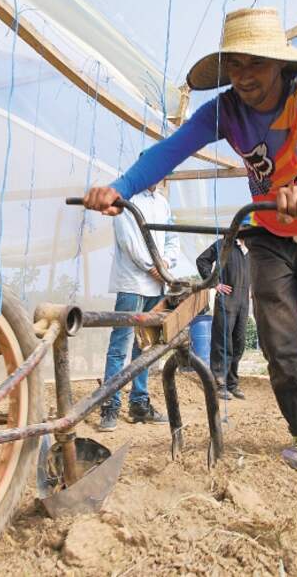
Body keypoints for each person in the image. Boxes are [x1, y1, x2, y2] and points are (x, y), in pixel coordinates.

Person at [82, 8, 297, 469]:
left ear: (280, 64)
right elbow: (171, 149)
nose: (245, 76)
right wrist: (121, 189)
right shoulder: (223, 111)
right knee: (278, 337)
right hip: (269, 232)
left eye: (256, 63)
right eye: (235, 64)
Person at [99, 184, 178, 431]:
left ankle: (139, 404)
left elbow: (172, 237)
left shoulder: (162, 202)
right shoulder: (126, 198)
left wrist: (165, 262)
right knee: (120, 346)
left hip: (156, 286)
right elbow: (127, 240)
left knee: (144, 346)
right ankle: (110, 406)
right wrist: (152, 266)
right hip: (132, 282)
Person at [196, 238, 250, 400]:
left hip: (244, 300)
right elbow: (202, 260)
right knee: (222, 341)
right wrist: (215, 283)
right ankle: (219, 383)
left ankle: (232, 383)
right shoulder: (223, 244)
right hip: (227, 297)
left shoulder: (253, 246)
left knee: (238, 342)